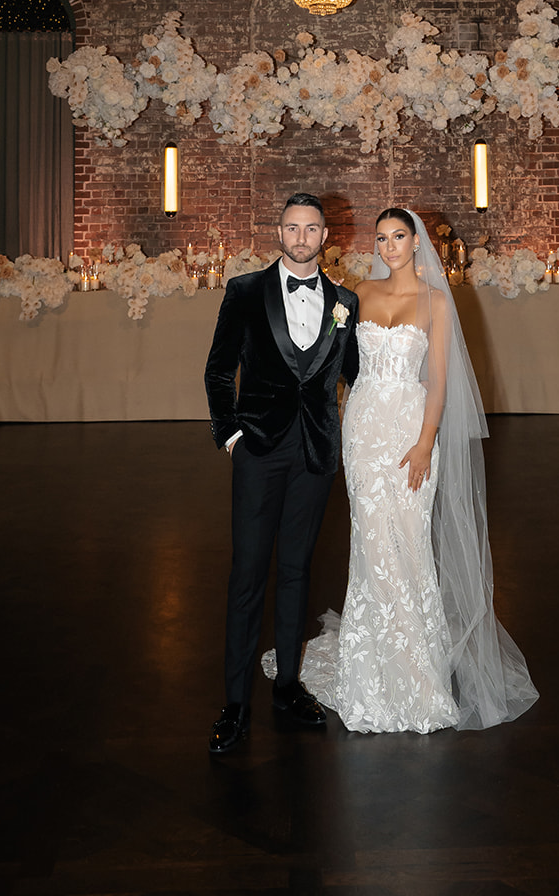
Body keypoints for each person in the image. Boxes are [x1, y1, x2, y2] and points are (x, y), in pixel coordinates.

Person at [278, 207, 537, 733]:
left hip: (411, 430)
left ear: (416, 242)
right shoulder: (358, 295)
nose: (389, 245)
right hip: (364, 431)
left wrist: (424, 443)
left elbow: (439, 381)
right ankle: (371, 667)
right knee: (372, 542)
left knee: (410, 542)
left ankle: (417, 668)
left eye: (399, 236)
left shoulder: (435, 301)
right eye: (382, 238)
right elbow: (337, 363)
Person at [204, 192, 360, 754]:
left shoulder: (346, 302)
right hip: (259, 451)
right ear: (279, 232)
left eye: (310, 228)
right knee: (248, 574)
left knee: (296, 570)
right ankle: (235, 704)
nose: (300, 237)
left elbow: (356, 374)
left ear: (325, 236)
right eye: (292, 228)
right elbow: (218, 369)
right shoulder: (245, 291)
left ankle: (289, 687)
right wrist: (231, 435)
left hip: (315, 454)